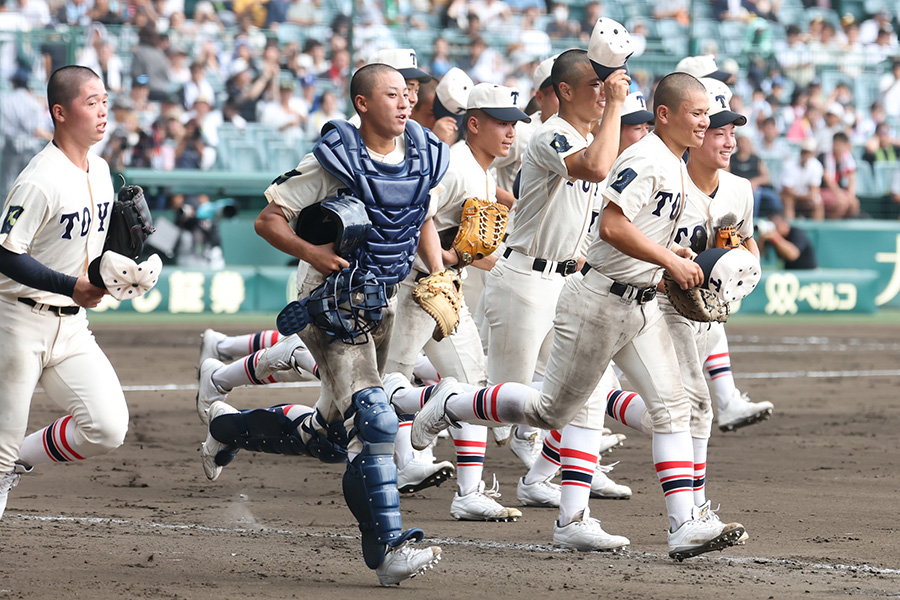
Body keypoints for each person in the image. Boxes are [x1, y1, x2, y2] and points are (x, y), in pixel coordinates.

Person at [413, 71, 749, 561]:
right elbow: (611, 227)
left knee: (672, 407)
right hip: (596, 300)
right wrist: (669, 260)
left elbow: (640, 231)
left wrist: (673, 255)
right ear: (665, 115)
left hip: (638, 302)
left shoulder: (675, 164)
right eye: (697, 114)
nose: (705, 122)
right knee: (551, 411)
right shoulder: (646, 157)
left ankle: (681, 525)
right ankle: (453, 403)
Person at [201, 64, 448, 586]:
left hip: (382, 299)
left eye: (407, 95)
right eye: (391, 95)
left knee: (332, 433)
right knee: (374, 417)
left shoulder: (423, 154)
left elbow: (421, 214)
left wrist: (439, 272)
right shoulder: (334, 159)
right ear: (362, 103)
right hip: (330, 300)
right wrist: (310, 251)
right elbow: (268, 219)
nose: (405, 102)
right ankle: (388, 551)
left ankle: (225, 427)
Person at [473, 27, 632, 549]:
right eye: (594, 84)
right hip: (523, 281)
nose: (603, 92)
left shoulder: (590, 136)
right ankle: (438, 404)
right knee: (502, 406)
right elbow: (596, 168)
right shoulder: (549, 134)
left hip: (564, 283)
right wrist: (616, 105)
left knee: (585, 396)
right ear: (565, 90)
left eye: (606, 84)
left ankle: (571, 516)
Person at [384, 83, 532, 522]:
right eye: (502, 123)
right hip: (412, 288)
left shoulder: (483, 171)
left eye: (514, 124)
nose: (510, 132)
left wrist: (501, 266)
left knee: (469, 383)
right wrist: (439, 265)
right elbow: (418, 214)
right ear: (475, 123)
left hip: (442, 289)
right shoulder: (454, 165)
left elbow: (468, 248)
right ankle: (392, 460)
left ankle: (468, 491)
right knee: (384, 385)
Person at [0, 66, 129, 520]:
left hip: (72, 328)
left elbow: (92, 252)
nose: (103, 110)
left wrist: (120, 271)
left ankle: (17, 461)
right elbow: (5, 254)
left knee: (107, 427)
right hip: (17, 323)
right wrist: (71, 285)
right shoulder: (40, 178)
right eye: (91, 102)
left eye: (105, 101)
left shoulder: (102, 169)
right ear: (60, 112)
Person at [780, 139, 824, 221]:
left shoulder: (816, 166)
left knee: (817, 201)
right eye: (804, 152)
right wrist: (802, 197)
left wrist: (806, 196)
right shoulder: (790, 164)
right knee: (788, 200)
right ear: (801, 152)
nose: (806, 155)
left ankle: (817, 227)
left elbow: (814, 189)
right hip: (790, 195)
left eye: (809, 152)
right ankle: (790, 225)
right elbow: (787, 189)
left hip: (805, 195)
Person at [820, 131, 859, 219]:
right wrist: (839, 195)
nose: (838, 147)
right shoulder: (823, 157)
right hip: (824, 190)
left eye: (841, 144)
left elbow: (852, 179)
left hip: (840, 190)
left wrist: (850, 196)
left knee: (854, 204)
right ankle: (832, 225)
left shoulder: (848, 158)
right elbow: (828, 180)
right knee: (841, 204)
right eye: (836, 144)